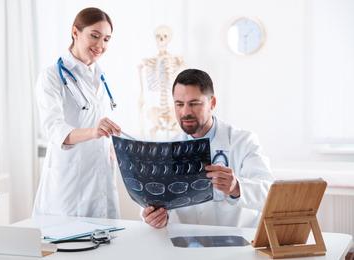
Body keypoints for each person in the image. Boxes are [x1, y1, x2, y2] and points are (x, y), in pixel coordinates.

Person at [142, 69, 275, 228]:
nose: (186, 112)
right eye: (179, 104)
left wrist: (236, 187)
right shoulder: (167, 149)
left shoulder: (243, 142)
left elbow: (270, 192)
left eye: (194, 104)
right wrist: (156, 217)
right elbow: (153, 200)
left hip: (237, 243)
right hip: (186, 245)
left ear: (212, 103)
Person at [33, 7, 121, 218]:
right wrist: (94, 132)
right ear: (75, 32)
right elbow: (54, 129)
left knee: (107, 243)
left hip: (100, 180)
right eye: (95, 36)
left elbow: (94, 121)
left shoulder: (100, 77)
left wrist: (108, 145)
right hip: (68, 189)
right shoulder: (52, 76)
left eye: (107, 39)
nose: (101, 45)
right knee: (70, 245)